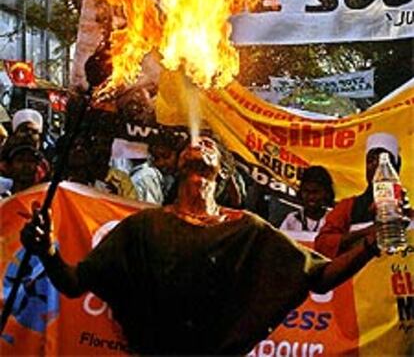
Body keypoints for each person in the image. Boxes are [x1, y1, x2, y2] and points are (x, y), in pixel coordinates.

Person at [21, 136, 380, 356]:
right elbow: (72, 282)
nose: (200, 143)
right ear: (178, 165)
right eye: (194, 143)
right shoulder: (143, 227)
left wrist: (369, 245)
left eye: (210, 144)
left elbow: (319, 277)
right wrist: (47, 250)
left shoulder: (246, 230)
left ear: (222, 173)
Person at [315, 132, 406, 258]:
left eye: (383, 162)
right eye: (371, 161)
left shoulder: (405, 207)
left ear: (396, 168)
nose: (375, 166)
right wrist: (367, 232)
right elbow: (322, 244)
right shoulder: (349, 207)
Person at [280, 165, 335, 232]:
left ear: (327, 193)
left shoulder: (333, 220)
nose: (311, 197)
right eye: (306, 191)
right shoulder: (292, 219)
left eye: (315, 192)